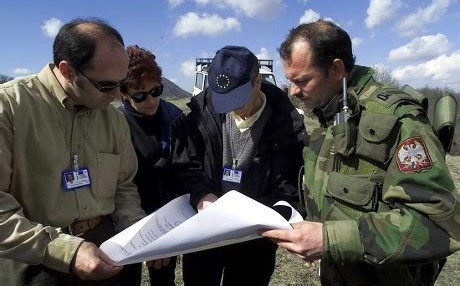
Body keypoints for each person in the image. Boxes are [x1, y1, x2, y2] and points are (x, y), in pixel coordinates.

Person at [260, 20, 460, 285]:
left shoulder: (398, 120)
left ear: (336, 69)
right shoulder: (329, 113)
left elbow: (439, 223)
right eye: (290, 81)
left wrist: (330, 239)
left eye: (302, 80)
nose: (294, 91)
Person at [0, 18, 147, 285]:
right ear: (67, 71)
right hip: (34, 261)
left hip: (108, 251)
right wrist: (63, 250)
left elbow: (124, 186)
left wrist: (134, 232)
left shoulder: (114, 120)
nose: (117, 96)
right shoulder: (9, 108)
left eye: (122, 84)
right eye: (106, 86)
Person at [182, 45, 307, 286]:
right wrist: (201, 194)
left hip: (254, 242)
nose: (231, 107)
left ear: (257, 81)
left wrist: (265, 215)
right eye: (224, 99)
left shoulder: (287, 126)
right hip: (206, 234)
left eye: (237, 99)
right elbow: (187, 164)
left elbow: (289, 185)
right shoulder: (201, 114)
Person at [118, 45, 211, 286]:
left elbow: (185, 167)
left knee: (163, 278)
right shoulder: (114, 124)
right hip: (125, 218)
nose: (150, 100)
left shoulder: (174, 118)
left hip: (165, 216)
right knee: (126, 276)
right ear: (123, 94)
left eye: (156, 90)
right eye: (140, 95)